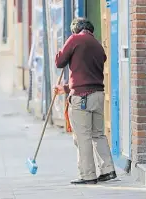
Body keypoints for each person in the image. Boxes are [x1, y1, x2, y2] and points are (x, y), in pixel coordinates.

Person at [54, 18, 116, 184]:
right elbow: (87, 71)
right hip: (98, 95)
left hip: (82, 97)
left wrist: (61, 50)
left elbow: (59, 62)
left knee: (83, 137)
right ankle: (108, 169)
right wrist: (66, 88)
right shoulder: (97, 45)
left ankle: (88, 175)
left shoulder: (74, 39)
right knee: (98, 134)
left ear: (75, 30)